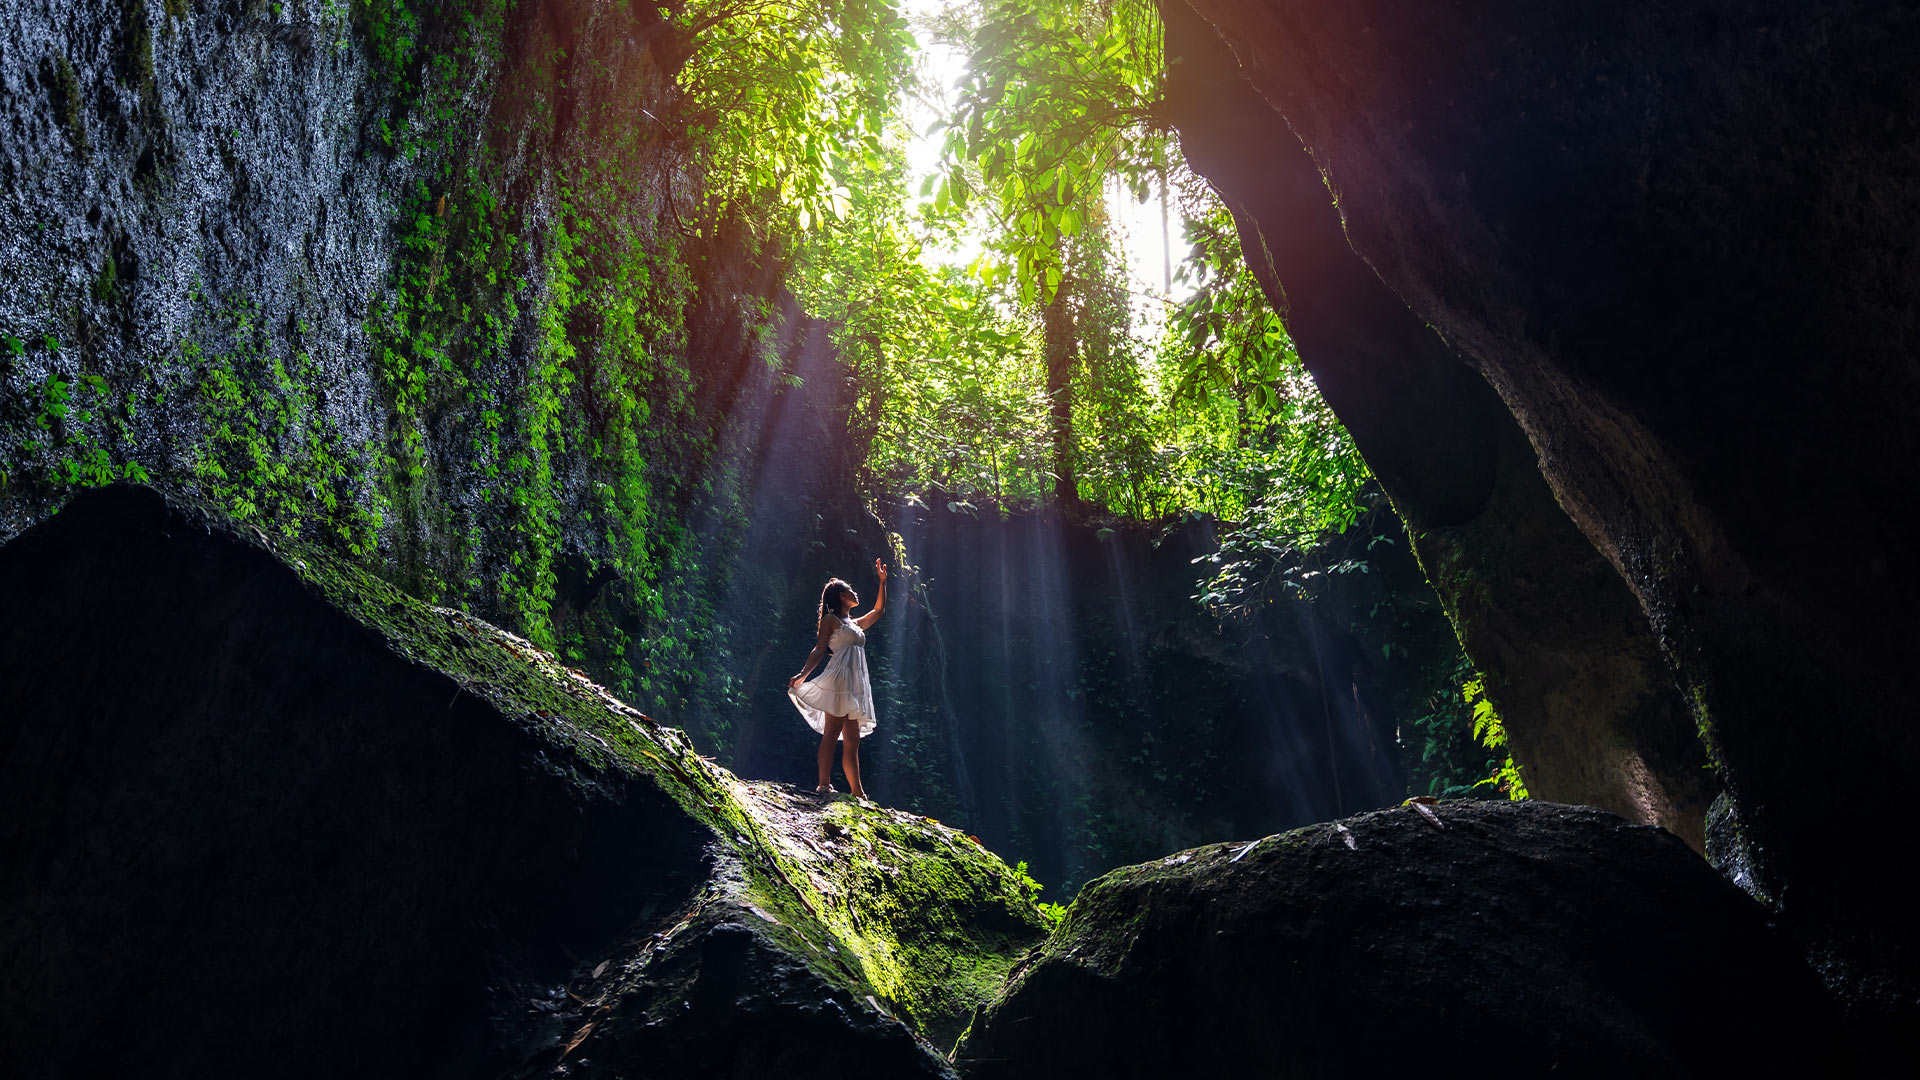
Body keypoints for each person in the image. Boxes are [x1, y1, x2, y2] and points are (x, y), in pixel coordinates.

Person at [789, 559, 886, 799]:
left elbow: (879, 611)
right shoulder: (831, 620)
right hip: (839, 679)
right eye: (851, 589)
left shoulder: (854, 623)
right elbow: (820, 649)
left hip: (855, 684)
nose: (856, 592)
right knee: (832, 732)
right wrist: (803, 674)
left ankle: (858, 792)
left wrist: (883, 582)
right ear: (842, 596)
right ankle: (823, 784)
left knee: (852, 739)